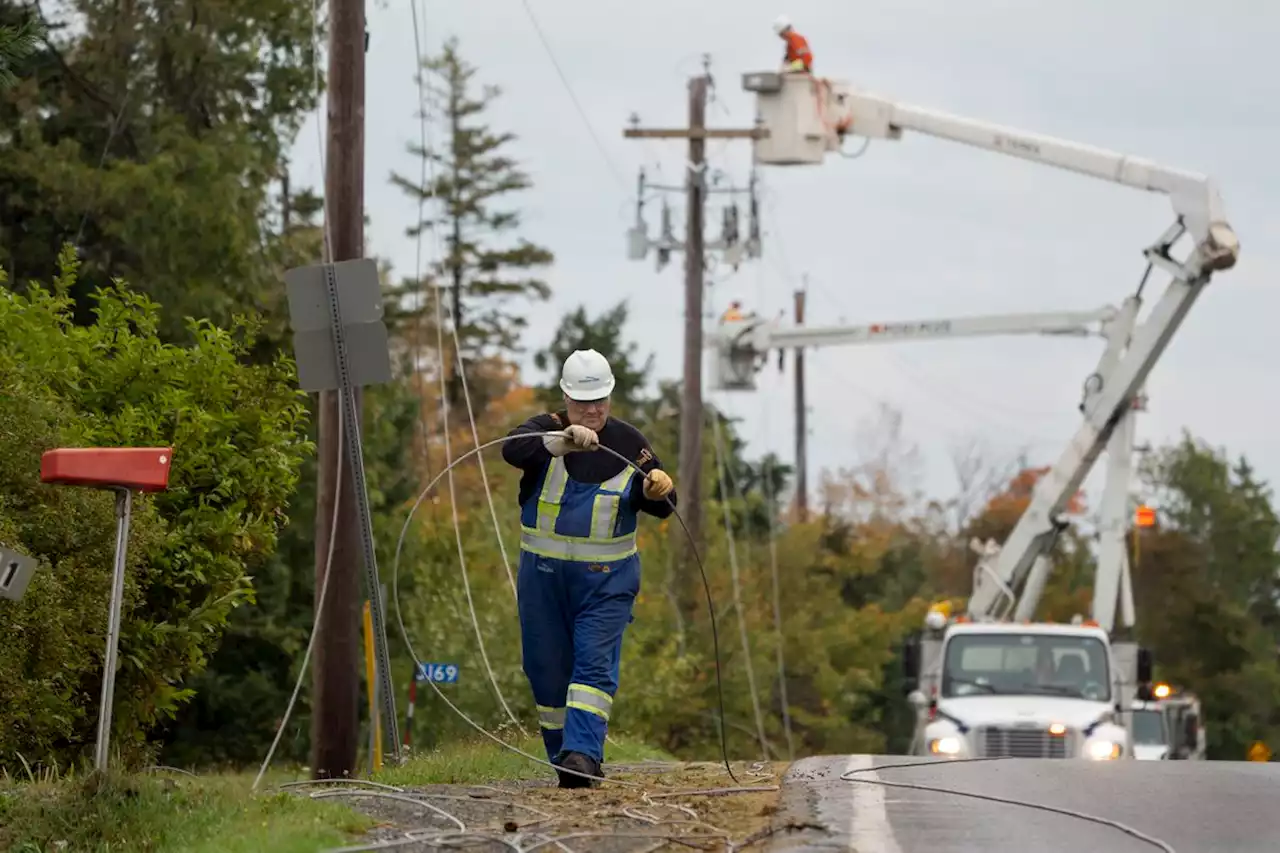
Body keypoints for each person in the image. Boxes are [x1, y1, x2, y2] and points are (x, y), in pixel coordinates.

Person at [501, 349, 677, 789]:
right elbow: (511, 449)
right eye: (583, 402)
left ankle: (583, 756)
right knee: (545, 670)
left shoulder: (629, 441)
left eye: (600, 400)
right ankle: (564, 756)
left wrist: (657, 491)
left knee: (593, 667)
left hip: (607, 583)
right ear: (565, 397)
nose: (593, 410)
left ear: (611, 395)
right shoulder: (544, 430)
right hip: (543, 582)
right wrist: (561, 440)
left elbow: (663, 505)